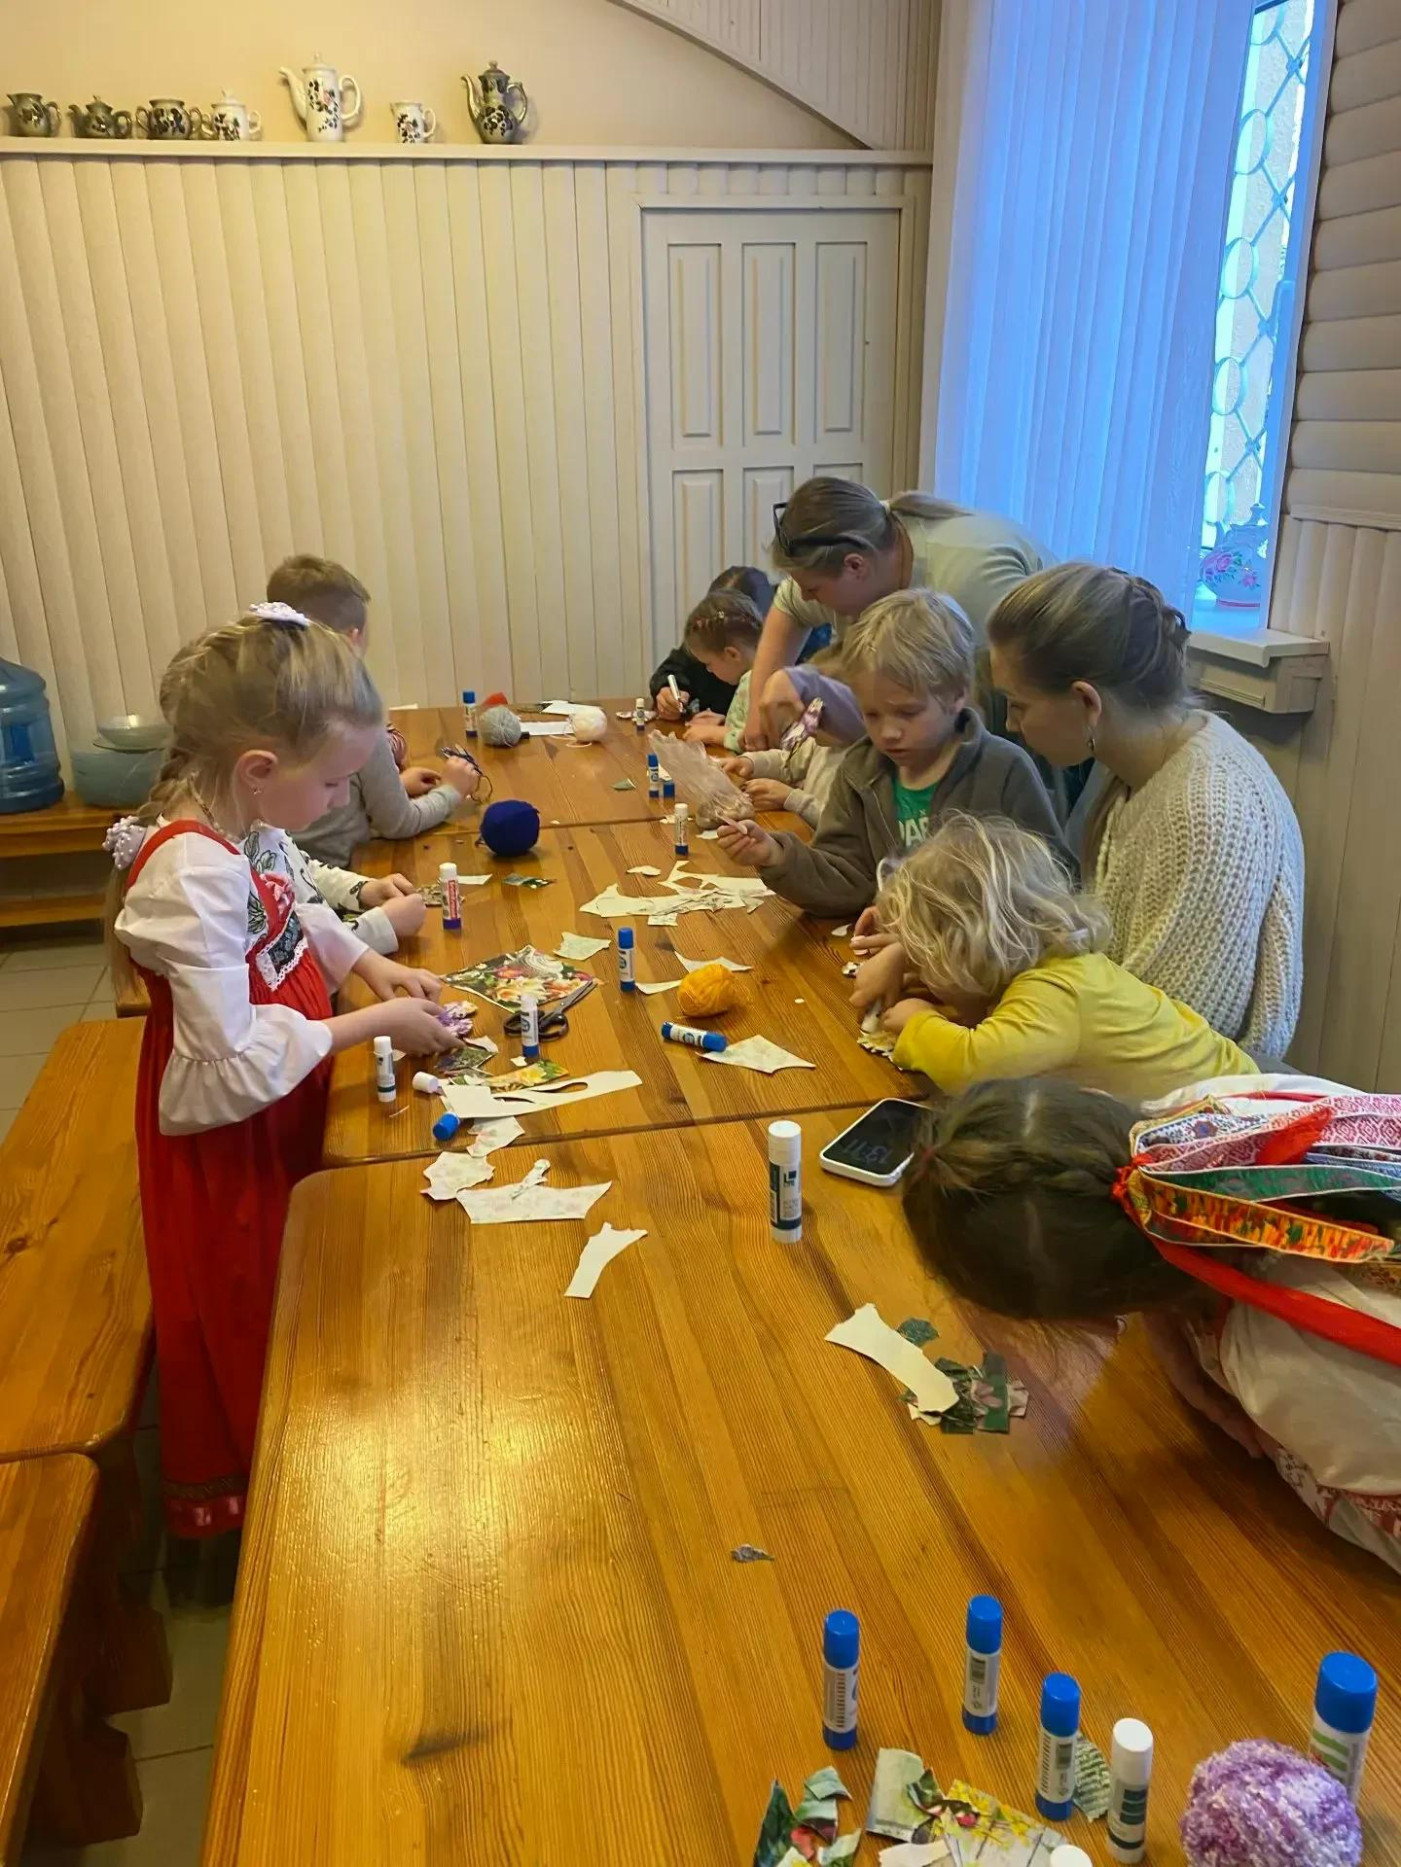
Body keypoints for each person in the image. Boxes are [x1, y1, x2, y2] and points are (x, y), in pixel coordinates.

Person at [107, 607, 456, 1537]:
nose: (344, 796)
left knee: (303, 1269)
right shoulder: (190, 872)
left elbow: (292, 907)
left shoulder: (240, 819)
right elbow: (224, 1064)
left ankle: (317, 1451)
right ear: (259, 768)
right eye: (335, 780)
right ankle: (279, 1504)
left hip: (278, 1094)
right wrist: (371, 1023)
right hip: (235, 1134)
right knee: (257, 1295)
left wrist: (365, 963)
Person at [903, 1075, 1401, 1574]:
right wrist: (1164, 1312)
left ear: (1091, 1320)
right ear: (1098, 1102)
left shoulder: (1280, 1364)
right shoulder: (1204, 1113)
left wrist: (1285, 1449)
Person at [987, 562, 1304, 1058]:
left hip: (1190, 1093)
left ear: (1086, 702)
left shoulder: (1208, 812)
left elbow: (1164, 1049)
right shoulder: (1134, 762)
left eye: (1018, 704)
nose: (1010, 724)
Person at [853, 815, 1258, 1099]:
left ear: (967, 949)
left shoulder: (1051, 996)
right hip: (1230, 1087)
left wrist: (920, 1024)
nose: (922, 973)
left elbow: (974, 1070)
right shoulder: (1060, 968)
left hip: (1233, 1117)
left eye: (924, 960)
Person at [716, 590, 1064, 918]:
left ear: (957, 694)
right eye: (872, 714)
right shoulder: (861, 768)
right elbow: (845, 876)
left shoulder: (1003, 771)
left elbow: (1048, 891)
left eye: (908, 713)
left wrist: (925, 934)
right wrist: (776, 856)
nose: (888, 732)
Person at [742, 479, 1051, 751]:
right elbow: (790, 609)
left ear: (855, 566)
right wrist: (757, 711)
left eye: (813, 589)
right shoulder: (855, 545)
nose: (807, 597)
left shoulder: (973, 584)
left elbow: (994, 714)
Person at [266, 556, 480, 867]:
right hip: (344, 872)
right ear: (352, 639)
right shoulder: (351, 707)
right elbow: (399, 823)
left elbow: (326, 808)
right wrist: (452, 790)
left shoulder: (263, 696)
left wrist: (396, 786)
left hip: (280, 874)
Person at [651, 565, 776, 724]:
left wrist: (727, 726)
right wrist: (667, 692)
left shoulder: (787, 662)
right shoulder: (710, 634)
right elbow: (671, 671)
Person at [672, 588, 763, 748]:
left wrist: (716, 734)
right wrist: (724, 722)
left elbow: (760, 743)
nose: (708, 670)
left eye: (708, 664)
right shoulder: (751, 679)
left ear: (732, 654)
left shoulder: (757, 684)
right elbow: (746, 724)